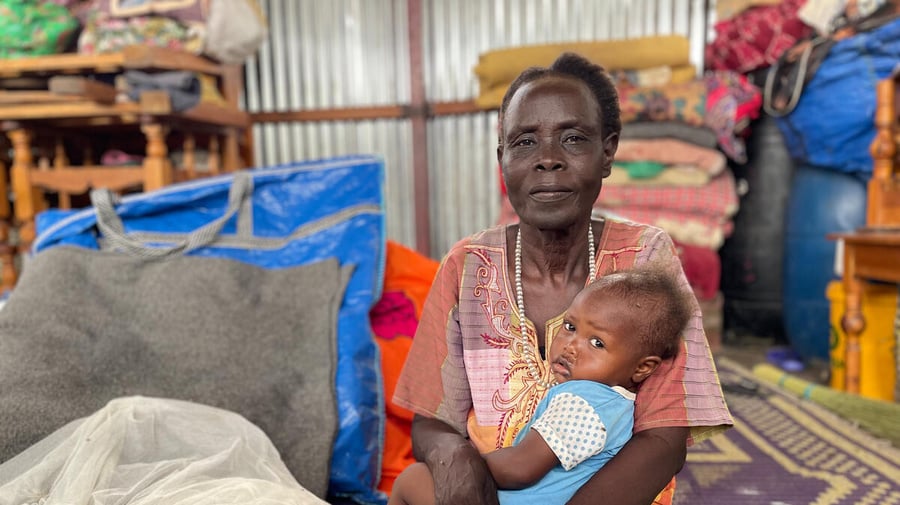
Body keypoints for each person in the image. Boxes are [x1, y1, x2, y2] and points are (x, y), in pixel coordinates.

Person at [393, 52, 733, 505]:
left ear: (607, 153)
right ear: (503, 160)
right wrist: (458, 463)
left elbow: (665, 437)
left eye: (572, 139)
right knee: (412, 483)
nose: (547, 160)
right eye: (524, 143)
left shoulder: (644, 257)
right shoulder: (466, 264)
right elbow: (433, 421)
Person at [388, 265, 694, 505]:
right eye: (571, 327)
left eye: (597, 343)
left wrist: (465, 466)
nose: (571, 346)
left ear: (643, 367)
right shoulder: (617, 407)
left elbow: (520, 468)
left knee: (413, 480)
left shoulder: (582, 402)